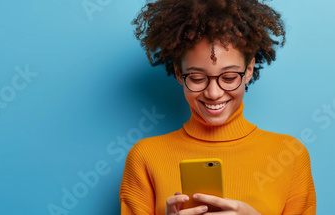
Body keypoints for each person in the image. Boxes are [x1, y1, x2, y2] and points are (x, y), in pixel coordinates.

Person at [119, 0, 316, 214]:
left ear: (249, 70)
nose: (213, 93)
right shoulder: (145, 156)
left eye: (229, 77)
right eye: (196, 77)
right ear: (178, 73)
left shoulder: (290, 155)